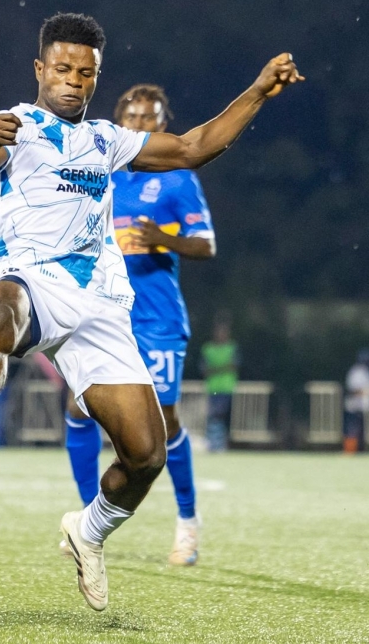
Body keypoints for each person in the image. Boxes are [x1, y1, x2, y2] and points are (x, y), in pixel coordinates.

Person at [0, 13, 302, 610]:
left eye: (86, 73)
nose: (74, 82)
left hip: (103, 307)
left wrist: (259, 91)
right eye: (62, 69)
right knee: (1, 309)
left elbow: (194, 147)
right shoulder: (16, 125)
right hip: (32, 276)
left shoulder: (108, 140)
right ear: (40, 70)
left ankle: (87, 533)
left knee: (146, 454)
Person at [63, 84, 217, 566]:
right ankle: (92, 518)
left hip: (156, 319)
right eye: (131, 116)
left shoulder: (175, 179)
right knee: (77, 409)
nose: (139, 124)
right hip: (105, 314)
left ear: (163, 124)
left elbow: (206, 244)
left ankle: (188, 523)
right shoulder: (102, 174)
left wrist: (162, 238)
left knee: (165, 424)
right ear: (118, 120)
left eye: (149, 118)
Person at [201, 318, 240, 453]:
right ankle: (215, 444)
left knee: (222, 416)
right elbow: (205, 370)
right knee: (214, 415)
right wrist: (223, 368)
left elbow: (234, 366)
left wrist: (215, 369)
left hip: (227, 387)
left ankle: (220, 444)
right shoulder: (208, 349)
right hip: (213, 387)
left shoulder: (232, 347)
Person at [343, 349, 369, 453]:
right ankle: (349, 451)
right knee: (352, 429)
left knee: (362, 432)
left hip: (364, 407)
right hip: (354, 406)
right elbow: (353, 390)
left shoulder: (368, 372)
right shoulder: (356, 372)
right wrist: (364, 393)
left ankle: (360, 451)